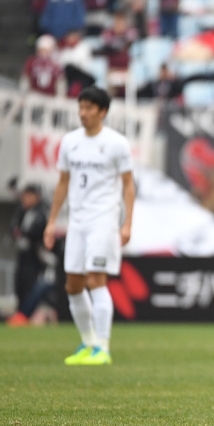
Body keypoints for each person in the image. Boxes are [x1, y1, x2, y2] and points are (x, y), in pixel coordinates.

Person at [43, 86, 135, 366]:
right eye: (80, 107)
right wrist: (51, 222)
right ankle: (88, 342)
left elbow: (129, 184)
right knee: (72, 285)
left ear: (102, 111)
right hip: (77, 221)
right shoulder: (70, 142)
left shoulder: (117, 143)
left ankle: (103, 348)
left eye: (89, 108)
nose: (83, 113)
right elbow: (62, 183)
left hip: (103, 220)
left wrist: (127, 223)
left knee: (96, 279)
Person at [7, 184, 49, 326]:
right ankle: (20, 314)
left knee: (30, 286)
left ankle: (25, 315)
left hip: (35, 256)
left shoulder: (40, 212)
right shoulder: (23, 211)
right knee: (19, 284)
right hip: (22, 255)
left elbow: (37, 231)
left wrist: (25, 234)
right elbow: (13, 226)